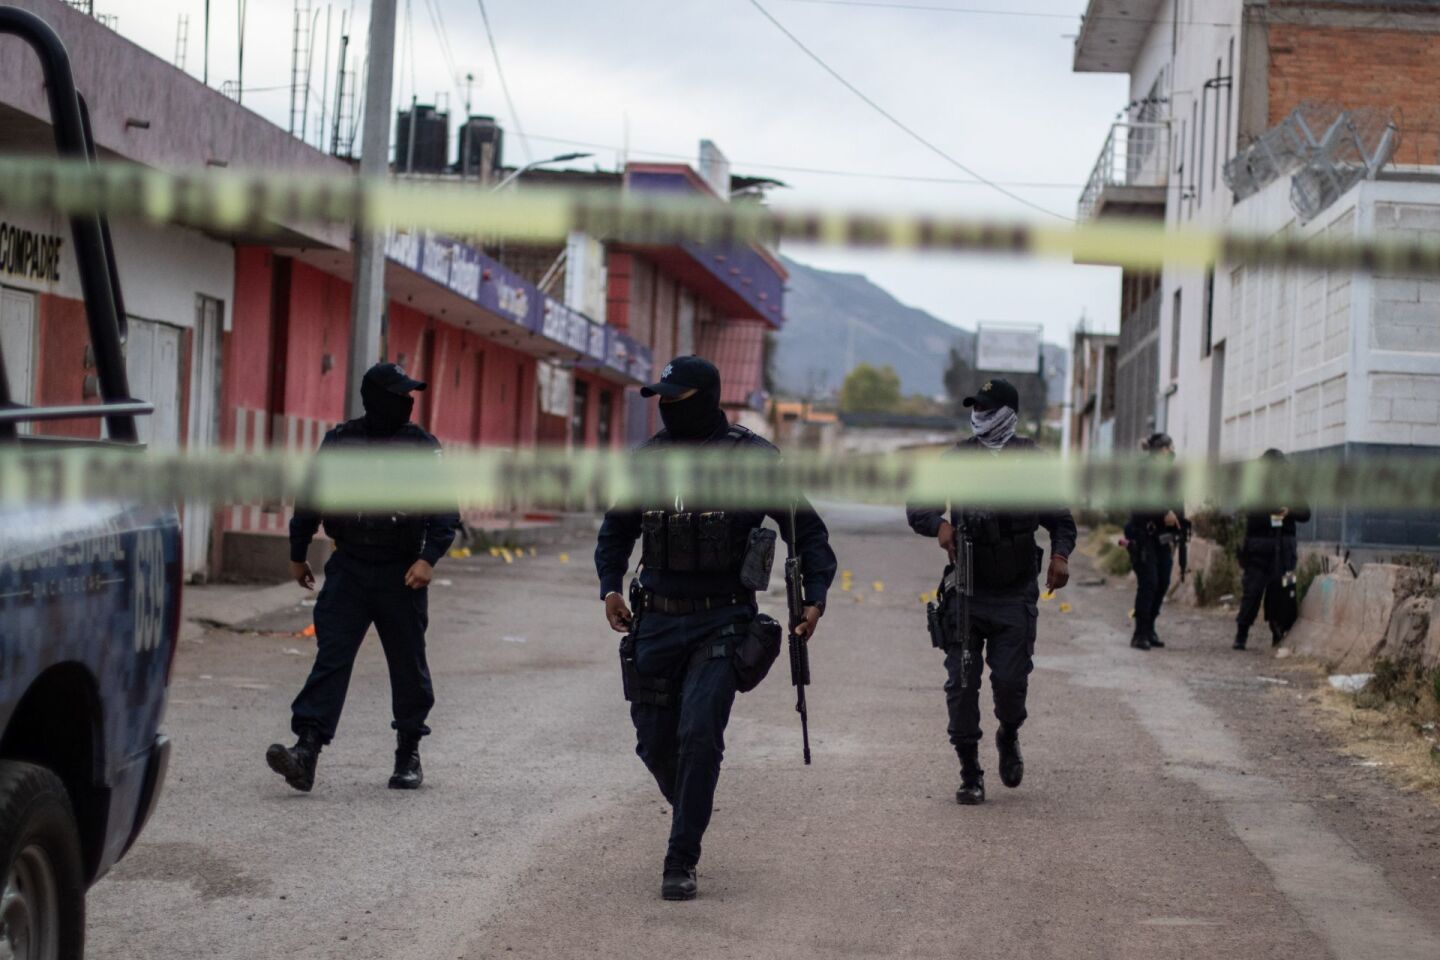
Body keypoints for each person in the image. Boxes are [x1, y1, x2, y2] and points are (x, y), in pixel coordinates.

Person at [595, 355, 837, 901]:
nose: (665, 408)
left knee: (699, 733)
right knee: (655, 744)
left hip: (723, 618)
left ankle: (681, 856)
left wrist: (814, 597)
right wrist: (609, 586)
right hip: (655, 619)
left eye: (675, 399)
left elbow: (809, 534)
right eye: (661, 398)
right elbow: (615, 532)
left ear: (704, 398)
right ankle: (692, 806)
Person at [267, 362, 460, 793]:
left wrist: (429, 559)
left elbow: (445, 511)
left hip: (401, 571)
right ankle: (307, 750)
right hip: (350, 566)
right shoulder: (340, 442)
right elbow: (311, 498)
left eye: (411, 395)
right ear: (375, 398)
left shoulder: (421, 446)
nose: (408, 402)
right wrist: (298, 554)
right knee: (332, 657)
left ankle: (408, 752)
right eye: (399, 395)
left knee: (407, 664)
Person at [906, 377, 1076, 806]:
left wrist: (1061, 556)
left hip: (1015, 593)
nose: (978, 415)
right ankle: (970, 772)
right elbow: (918, 506)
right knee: (962, 685)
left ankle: (1009, 733)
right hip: (966, 591)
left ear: (1007, 414)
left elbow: (1061, 520)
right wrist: (939, 525)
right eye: (975, 408)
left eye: (987, 408)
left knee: (1011, 685)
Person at [1234, 449, 1312, 650]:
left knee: (1284, 591)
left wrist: (1290, 510)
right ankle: (1242, 633)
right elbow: (1250, 515)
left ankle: (1279, 632)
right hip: (1260, 548)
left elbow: (1305, 513)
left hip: (1285, 549)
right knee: (1252, 591)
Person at [1123, 432, 1184, 651]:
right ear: (1161, 450)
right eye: (1170, 448)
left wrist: (1179, 520)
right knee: (1148, 583)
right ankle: (1139, 634)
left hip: (1162, 538)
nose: (1172, 452)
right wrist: (1162, 513)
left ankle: (1150, 628)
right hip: (1142, 535)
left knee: (1163, 582)